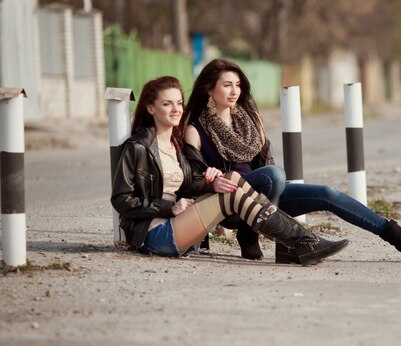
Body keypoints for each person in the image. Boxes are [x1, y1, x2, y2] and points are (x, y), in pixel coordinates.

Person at [183, 59, 401, 264]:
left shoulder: (252, 120)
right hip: (230, 206)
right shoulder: (196, 130)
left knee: (326, 192)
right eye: (227, 85)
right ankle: (250, 233)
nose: (234, 91)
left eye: (237, 85)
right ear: (209, 89)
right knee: (274, 175)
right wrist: (211, 181)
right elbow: (192, 181)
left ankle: (397, 237)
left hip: (268, 198)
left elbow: (264, 166)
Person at [110, 76, 348, 266]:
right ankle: (302, 242)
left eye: (179, 103)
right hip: (156, 234)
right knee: (233, 192)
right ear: (151, 108)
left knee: (231, 179)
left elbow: (187, 186)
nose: (176, 109)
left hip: (182, 225)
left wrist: (210, 181)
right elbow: (121, 199)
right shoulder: (139, 147)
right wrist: (168, 208)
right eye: (166, 103)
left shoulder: (175, 144)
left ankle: (301, 243)